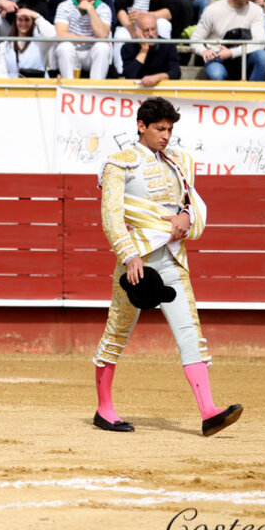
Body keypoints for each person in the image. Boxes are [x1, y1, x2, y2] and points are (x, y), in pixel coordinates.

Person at [93, 97, 242, 437]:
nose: (166, 135)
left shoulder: (178, 162)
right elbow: (112, 216)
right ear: (141, 126)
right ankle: (104, 409)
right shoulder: (119, 164)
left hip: (172, 257)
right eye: (160, 128)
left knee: (191, 334)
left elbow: (189, 200)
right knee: (116, 334)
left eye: (170, 129)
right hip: (139, 261)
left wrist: (187, 216)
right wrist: (129, 255)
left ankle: (209, 412)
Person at [191, 0, 265, 80]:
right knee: (216, 74)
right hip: (218, 58)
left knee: (262, 56)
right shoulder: (212, 10)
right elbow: (195, 39)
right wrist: (204, 51)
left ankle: (252, 96)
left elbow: (260, 43)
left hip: (244, 57)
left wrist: (231, 53)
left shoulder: (256, 10)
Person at [53, 0, 113, 79]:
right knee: (64, 47)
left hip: (91, 54)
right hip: (72, 52)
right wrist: (91, 39)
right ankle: (68, 87)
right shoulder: (64, 6)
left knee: (102, 47)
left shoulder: (104, 8)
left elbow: (103, 35)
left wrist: (91, 10)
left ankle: (96, 88)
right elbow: (61, 35)